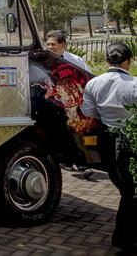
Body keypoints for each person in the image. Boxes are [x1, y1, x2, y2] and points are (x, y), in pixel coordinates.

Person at [81, 42, 137, 250]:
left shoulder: (94, 84)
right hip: (129, 140)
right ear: (128, 61)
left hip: (106, 139)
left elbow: (88, 112)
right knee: (130, 190)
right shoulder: (133, 84)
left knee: (124, 185)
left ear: (106, 61)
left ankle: (125, 236)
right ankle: (124, 238)